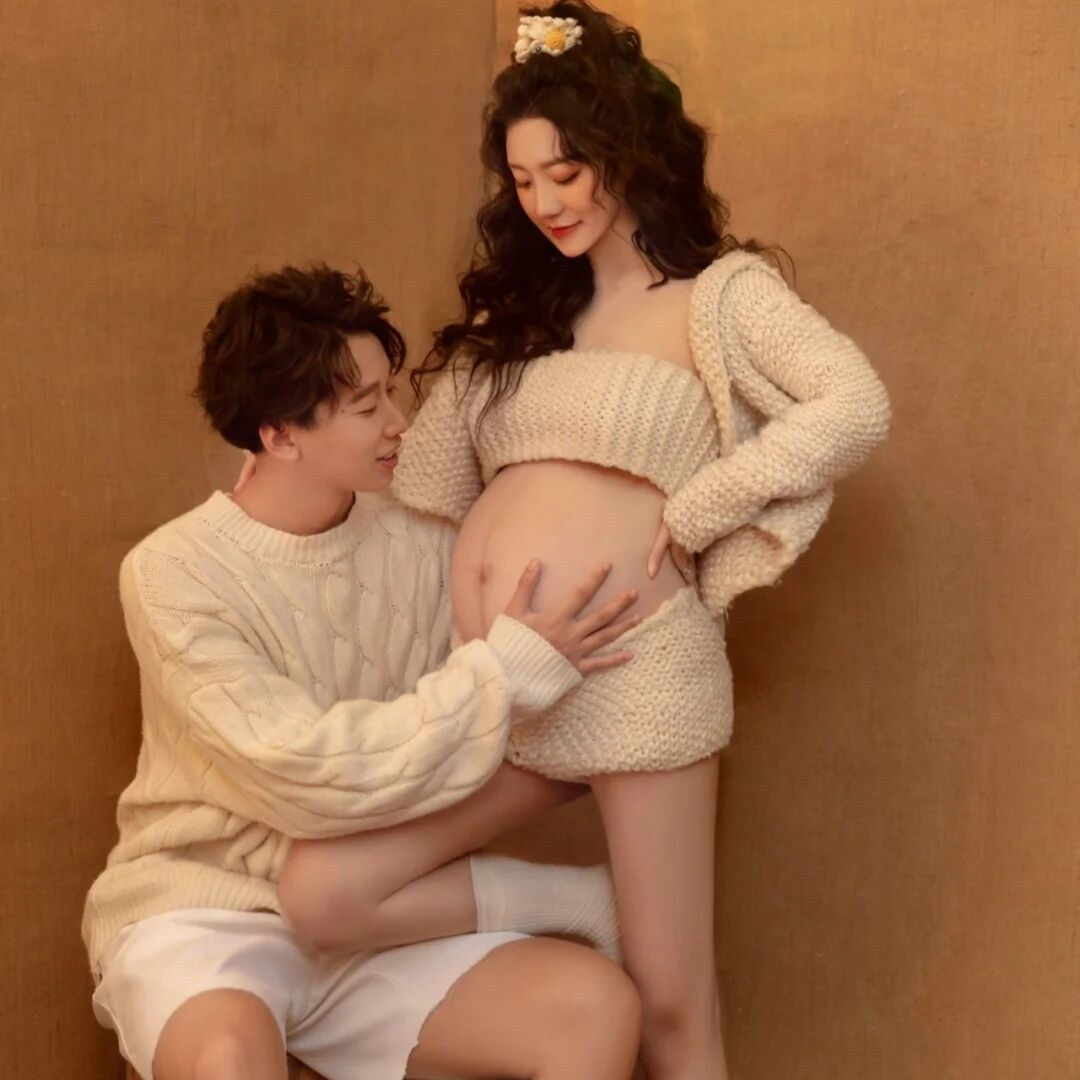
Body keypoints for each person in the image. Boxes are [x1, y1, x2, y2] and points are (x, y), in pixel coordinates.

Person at [276, 4, 892, 1079]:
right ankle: (581, 905)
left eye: (566, 171)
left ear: (629, 153)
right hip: (508, 684)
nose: (547, 201)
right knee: (325, 892)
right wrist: (289, 463)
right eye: (523, 181)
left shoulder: (719, 296)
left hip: (635, 670)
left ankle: (631, 935)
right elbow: (418, 491)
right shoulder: (522, 322)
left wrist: (697, 510)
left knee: (671, 1011)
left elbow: (855, 405)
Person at [82, 263, 646, 1080]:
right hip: (207, 910)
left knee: (596, 1008)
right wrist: (503, 675)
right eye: (366, 405)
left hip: (374, 918)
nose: (399, 423)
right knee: (227, 1061)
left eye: (391, 392)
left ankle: (569, 907)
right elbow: (301, 769)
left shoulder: (425, 538)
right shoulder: (172, 572)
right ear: (279, 436)